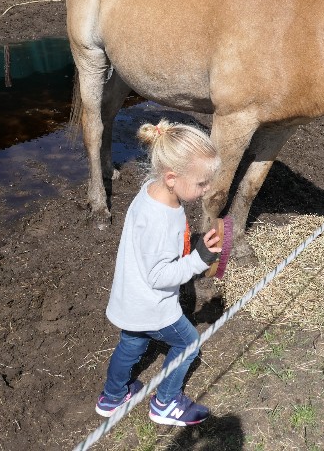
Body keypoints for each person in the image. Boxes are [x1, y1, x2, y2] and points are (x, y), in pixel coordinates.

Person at [95, 119, 222, 426]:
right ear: (171, 177)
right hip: (152, 305)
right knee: (187, 343)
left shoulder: (149, 191)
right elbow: (158, 275)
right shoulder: (162, 220)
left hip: (130, 297)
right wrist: (198, 260)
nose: (207, 190)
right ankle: (165, 403)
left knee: (132, 343)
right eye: (202, 183)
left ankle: (112, 397)